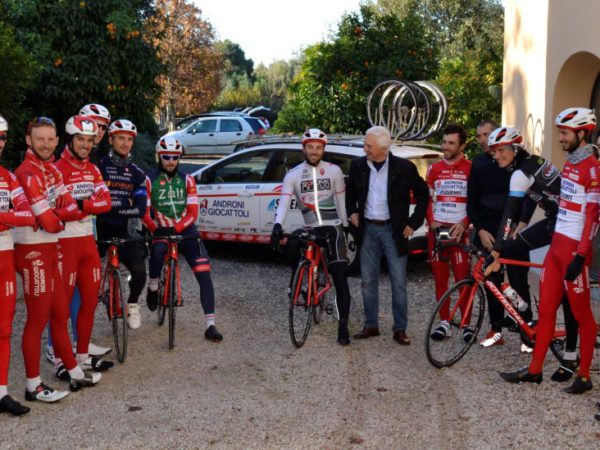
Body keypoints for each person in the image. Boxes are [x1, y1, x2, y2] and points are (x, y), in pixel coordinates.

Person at [500, 107, 600, 394]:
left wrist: (580, 256)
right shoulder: (570, 164)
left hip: (574, 252)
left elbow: (593, 217)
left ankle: (584, 376)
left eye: (565, 133)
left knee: (582, 316)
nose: (561, 138)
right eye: (560, 133)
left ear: (583, 133)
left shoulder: (592, 168)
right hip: (557, 248)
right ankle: (534, 370)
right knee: (545, 312)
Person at [14, 117, 101, 402]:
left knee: (60, 313)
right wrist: (57, 216)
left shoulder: (51, 169)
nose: (46, 144)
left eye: (50, 139)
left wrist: (54, 215)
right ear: (29, 140)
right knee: (37, 318)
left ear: (57, 140)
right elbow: (54, 221)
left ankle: (73, 370)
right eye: (40, 139)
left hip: (51, 248)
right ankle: (33, 385)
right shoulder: (26, 172)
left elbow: (67, 210)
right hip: (32, 251)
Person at [484, 126, 579, 376]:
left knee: (564, 290)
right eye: (494, 151)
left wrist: (497, 249)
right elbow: (533, 195)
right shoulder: (531, 162)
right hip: (557, 220)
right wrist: (522, 226)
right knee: (514, 249)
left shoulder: (519, 173)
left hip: (566, 226)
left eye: (501, 150)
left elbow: (510, 212)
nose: (497, 156)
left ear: (515, 149)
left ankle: (569, 351)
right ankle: (523, 310)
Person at [346, 126, 429, 345]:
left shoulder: (405, 168)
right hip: (367, 230)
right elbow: (350, 191)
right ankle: (371, 325)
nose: (364, 149)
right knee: (368, 281)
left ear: (383, 148)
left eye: (369, 146)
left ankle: (400, 329)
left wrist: (414, 222)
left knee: (398, 282)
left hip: (394, 231)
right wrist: (351, 211)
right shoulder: (357, 166)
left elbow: (423, 194)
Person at [270, 128, 351, 345]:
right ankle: (298, 279)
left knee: (340, 276)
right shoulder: (293, 174)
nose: (314, 151)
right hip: (311, 226)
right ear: (303, 149)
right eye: (310, 147)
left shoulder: (334, 171)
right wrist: (277, 225)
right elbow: (284, 202)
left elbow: (341, 201)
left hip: (332, 227)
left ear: (323, 149)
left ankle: (343, 326)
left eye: (318, 148)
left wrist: (346, 226)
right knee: (292, 242)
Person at [143, 136, 223, 342]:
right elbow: (144, 212)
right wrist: (154, 228)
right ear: (159, 157)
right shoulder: (149, 180)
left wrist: (177, 228)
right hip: (161, 231)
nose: (171, 161)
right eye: (166, 157)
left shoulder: (187, 180)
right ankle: (153, 286)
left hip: (186, 232)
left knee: (204, 274)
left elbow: (193, 212)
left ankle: (210, 325)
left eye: (175, 157)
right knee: (158, 252)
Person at [53, 115, 114, 371]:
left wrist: (81, 204)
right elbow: (61, 211)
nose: (86, 145)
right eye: (81, 139)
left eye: (90, 140)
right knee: (61, 308)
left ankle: (82, 355)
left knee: (89, 302)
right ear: (70, 139)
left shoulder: (93, 169)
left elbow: (106, 203)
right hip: (64, 243)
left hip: (88, 242)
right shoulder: (56, 169)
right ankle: (59, 359)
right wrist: (87, 205)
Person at [96, 119, 148, 329]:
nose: (125, 143)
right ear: (111, 140)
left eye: (129, 139)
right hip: (98, 228)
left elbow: (140, 209)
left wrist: (111, 206)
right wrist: (125, 203)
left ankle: (132, 304)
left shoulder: (137, 173)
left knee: (140, 271)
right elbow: (94, 204)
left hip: (124, 229)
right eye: (120, 138)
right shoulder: (98, 167)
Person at [0, 115, 35, 415]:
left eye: (2, 137)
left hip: (5, 255)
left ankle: (1, 393)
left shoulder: (8, 177)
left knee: (4, 328)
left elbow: (28, 214)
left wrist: (3, 218)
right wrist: (10, 218)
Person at [467, 119, 513, 347]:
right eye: (479, 136)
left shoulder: (513, 161)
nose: (483, 140)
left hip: (510, 230)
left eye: (487, 134)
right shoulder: (478, 163)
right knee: (491, 281)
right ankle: (496, 330)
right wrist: (480, 229)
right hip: (486, 231)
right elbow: (472, 200)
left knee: (517, 280)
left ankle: (528, 330)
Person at [427, 124, 472, 341]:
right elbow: (427, 199)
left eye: (451, 143)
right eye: (444, 142)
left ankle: (466, 325)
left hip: (459, 231)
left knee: (462, 278)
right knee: (440, 278)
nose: (445, 146)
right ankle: (444, 322)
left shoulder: (471, 168)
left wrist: (464, 223)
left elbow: (476, 202)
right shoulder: (434, 169)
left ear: (462, 146)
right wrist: (431, 221)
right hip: (439, 231)